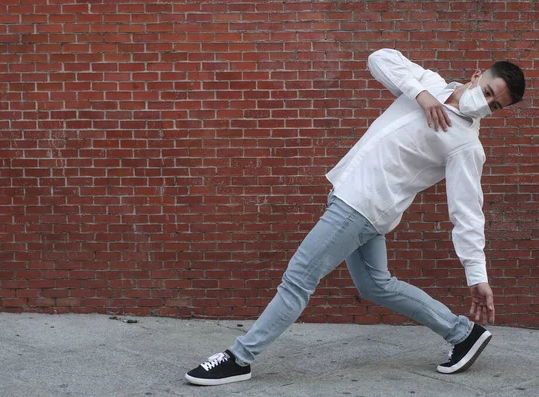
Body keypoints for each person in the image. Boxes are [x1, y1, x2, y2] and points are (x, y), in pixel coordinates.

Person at [185, 48, 526, 386]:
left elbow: (467, 213)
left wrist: (476, 274)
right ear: (477, 75)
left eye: (495, 106)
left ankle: (239, 358)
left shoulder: (466, 145)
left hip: (359, 210)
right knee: (377, 285)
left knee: (298, 279)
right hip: (356, 200)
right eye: (487, 93)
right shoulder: (428, 84)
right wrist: (421, 95)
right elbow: (380, 58)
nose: (484, 105)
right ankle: (462, 333)